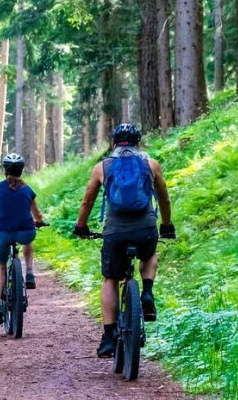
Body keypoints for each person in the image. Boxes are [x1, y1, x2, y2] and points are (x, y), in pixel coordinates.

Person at [73, 124, 176, 358]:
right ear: (139, 142)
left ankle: (108, 337)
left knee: (110, 278)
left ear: (113, 142)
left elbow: (87, 202)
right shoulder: (151, 164)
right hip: (145, 228)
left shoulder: (102, 167)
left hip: (115, 232)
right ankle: (147, 292)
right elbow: (164, 199)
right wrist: (166, 225)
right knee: (149, 254)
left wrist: (81, 226)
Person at [0, 153, 45, 325]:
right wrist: (40, 222)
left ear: (4, 170)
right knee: (28, 238)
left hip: (3, 232)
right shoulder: (28, 190)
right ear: (22, 170)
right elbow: (37, 214)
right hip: (25, 231)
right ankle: (29, 272)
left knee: (0, 265)